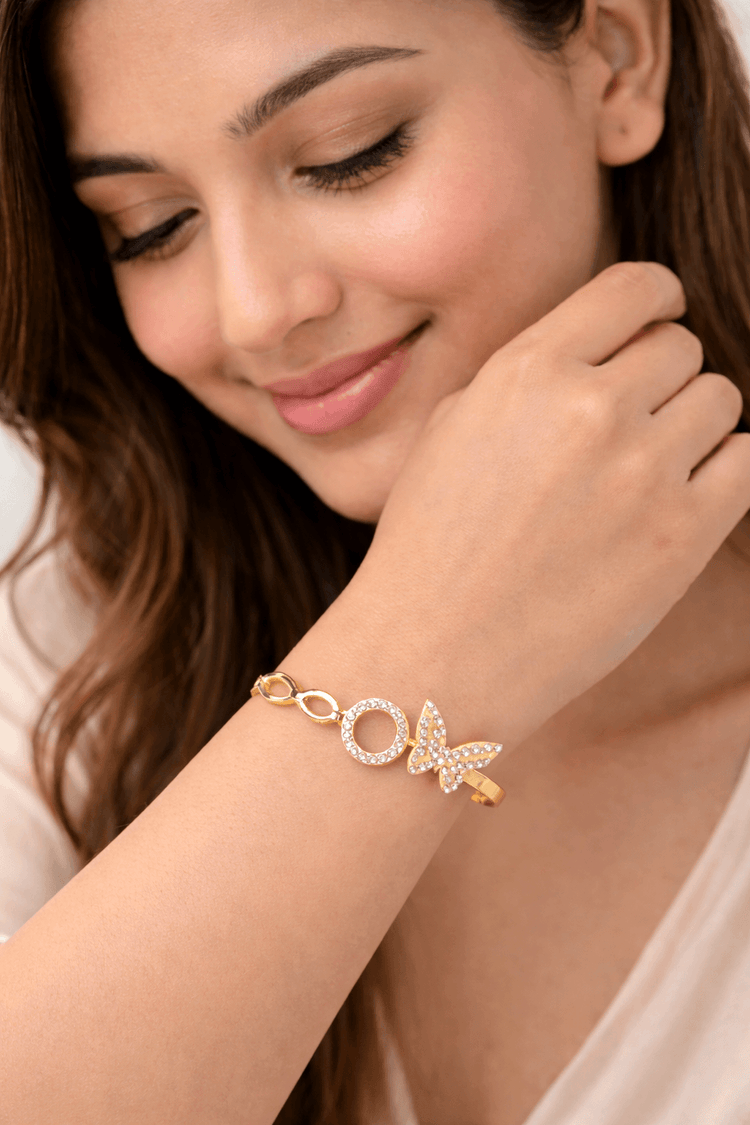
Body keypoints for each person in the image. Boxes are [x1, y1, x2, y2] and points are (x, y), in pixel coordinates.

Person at [1, 0, 750, 1121]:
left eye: (349, 155)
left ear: (617, 55)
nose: (256, 312)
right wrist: (418, 651)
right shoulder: (68, 655)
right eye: (150, 227)